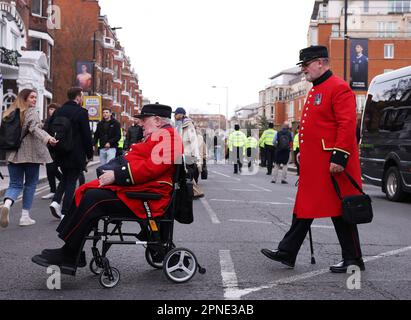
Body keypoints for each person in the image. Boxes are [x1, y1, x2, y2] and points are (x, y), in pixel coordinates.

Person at [31, 103, 182, 273]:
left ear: (157, 120)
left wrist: (116, 175)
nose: (140, 123)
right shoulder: (162, 135)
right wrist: (112, 169)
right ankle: (70, 250)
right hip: (142, 190)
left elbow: (150, 168)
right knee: (86, 191)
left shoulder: (168, 137)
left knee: (93, 198)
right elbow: (138, 160)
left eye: (144, 120)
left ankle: (70, 254)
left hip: (149, 197)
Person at [261, 45, 365, 273]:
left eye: (306, 65)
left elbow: (347, 125)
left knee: (342, 210)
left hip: (333, 163)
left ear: (320, 62)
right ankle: (288, 252)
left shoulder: (339, 88)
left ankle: (354, 259)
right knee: (305, 206)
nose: (304, 71)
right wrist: (302, 151)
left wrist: (339, 156)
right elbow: (316, 128)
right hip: (316, 163)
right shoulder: (316, 89)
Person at [0, 89, 58, 228]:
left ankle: (7, 204)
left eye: (35, 97)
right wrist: (48, 138)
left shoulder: (8, 113)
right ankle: (25, 217)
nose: (34, 100)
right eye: (32, 97)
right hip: (31, 155)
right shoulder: (31, 112)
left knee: (15, 184)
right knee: (31, 184)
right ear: (24, 98)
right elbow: (34, 129)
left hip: (13, 154)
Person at [48, 87, 94, 220]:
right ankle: (65, 211)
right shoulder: (81, 112)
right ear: (78, 97)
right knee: (71, 181)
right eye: (82, 95)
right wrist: (89, 153)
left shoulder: (58, 111)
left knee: (65, 177)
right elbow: (86, 135)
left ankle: (56, 201)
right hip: (76, 153)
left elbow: (49, 129)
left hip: (61, 151)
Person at [174, 107, 203, 198]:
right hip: (179, 154)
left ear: (181, 114)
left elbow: (194, 143)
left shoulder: (188, 126)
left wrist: (197, 158)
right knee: (181, 175)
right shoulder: (177, 125)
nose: (174, 116)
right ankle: (187, 192)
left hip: (188, 155)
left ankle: (194, 192)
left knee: (187, 175)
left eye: (176, 114)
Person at [41, 103, 63, 200]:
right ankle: (53, 191)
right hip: (49, 148)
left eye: (53, 109)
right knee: (50, 170)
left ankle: (64, 184)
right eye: (50, 109)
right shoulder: (47, 121)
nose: (51, 111)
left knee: (53, 169)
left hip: (59, 149)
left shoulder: (60, 121)